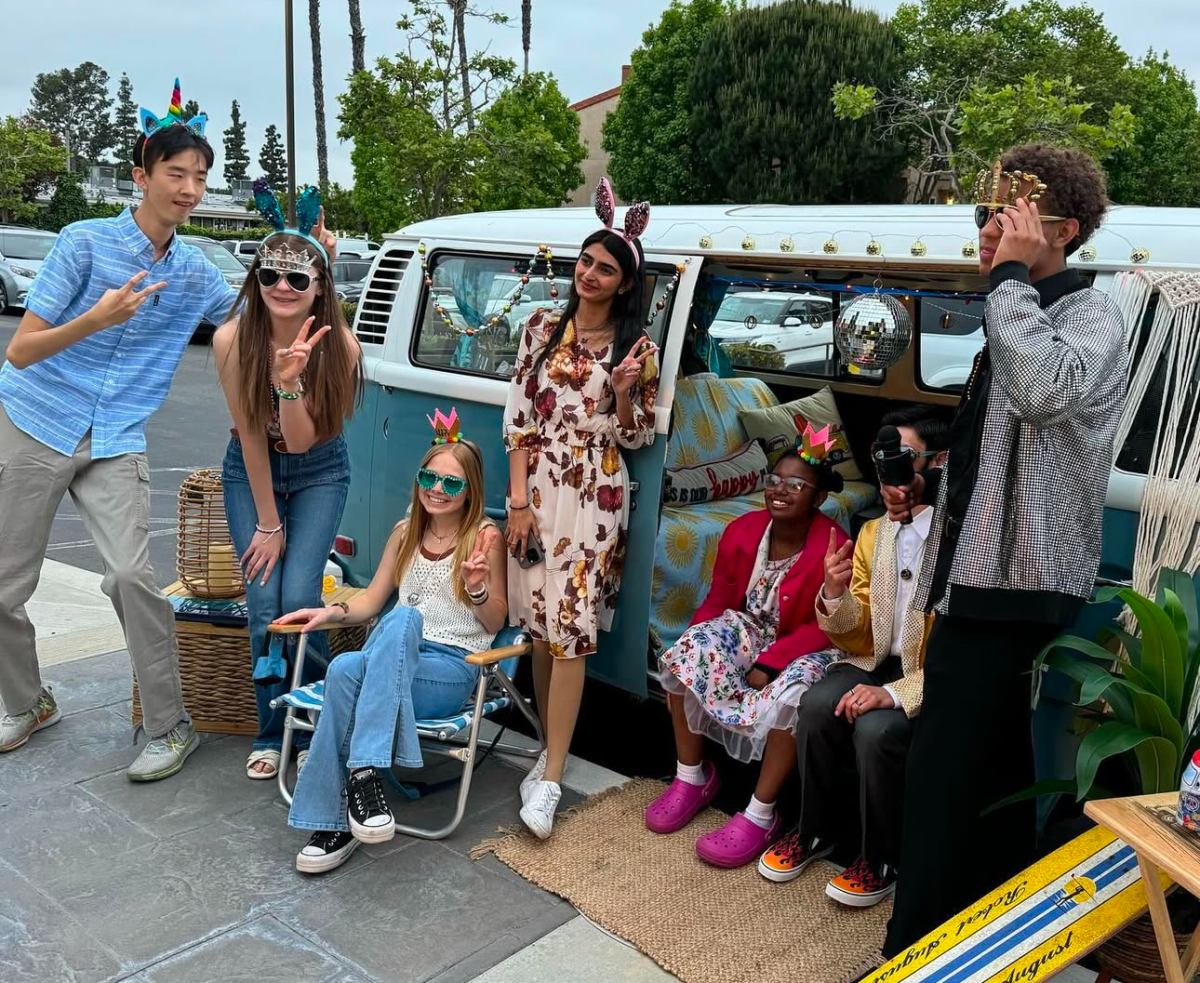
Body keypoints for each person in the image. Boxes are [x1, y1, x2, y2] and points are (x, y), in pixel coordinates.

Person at [0, 81, 332, 780]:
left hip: (117, 435)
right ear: (142, 175)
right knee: (3, 586)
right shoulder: (82, 243)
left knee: (130, 574)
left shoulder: (192, 270)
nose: (189, 188)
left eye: (200, 177)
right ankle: (28, 701)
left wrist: (311, 262)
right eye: (177, 174)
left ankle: (169, 722)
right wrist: (98, 317)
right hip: (36, 418)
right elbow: (20, 349)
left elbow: (264, 309)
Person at [878, 145, 1127, 956]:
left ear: (1064, 230)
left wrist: (1012, 281)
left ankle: (912, 950)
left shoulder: (1090, 312)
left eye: (1010, 216)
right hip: (980, 574)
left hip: (1021, 577)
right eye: (987, 215)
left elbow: (1046, 388)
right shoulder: (1015, 305)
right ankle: (983, 935)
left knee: (945, 770)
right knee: (983, 765)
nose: (991, 230)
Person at [277, 411, 507, 874]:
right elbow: (368, 600)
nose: (437, 489)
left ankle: (360, 772)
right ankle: (344, 815)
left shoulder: (484, 537)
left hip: (447, 670)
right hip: (389, 662)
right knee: (345, 665)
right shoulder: (405, 533)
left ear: (471, 491)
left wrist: (477, 586)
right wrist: (330, 612)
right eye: (429, 476)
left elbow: (496, 618)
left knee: (398, 622)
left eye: (452, 483)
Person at [503, 178, 660, 839]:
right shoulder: (540, 325)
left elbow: (637, 434)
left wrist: (623, 392)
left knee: (569, 632)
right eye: (586, 262)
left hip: (595, 494)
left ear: (626, 283)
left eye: (606, 268)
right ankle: (546, 744)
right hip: (537, 489)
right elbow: (517, 416)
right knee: (539, 626)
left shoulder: (636, 348)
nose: (590, 274)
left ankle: (552, 775)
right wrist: (516, 503)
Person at [758, 407, 949, 906]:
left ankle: (880, 858)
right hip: (873, 660)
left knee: (875, 729)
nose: (891, 475)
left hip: (927, 673)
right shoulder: (872, 533)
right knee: (818, 703)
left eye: (903, 460)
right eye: (884, 461)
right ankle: (814, 830)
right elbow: (857, 638)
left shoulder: (956, 540)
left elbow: (954, 654)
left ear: (938, 463)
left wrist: (891, 694)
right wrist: (835, 593)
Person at [214, 181, 363, 780]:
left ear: (320, 289)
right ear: (255, 279)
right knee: (261, 600)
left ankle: (315, 722)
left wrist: (290, 381)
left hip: (319, 468)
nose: (283, 285)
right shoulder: (232, 340)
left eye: (299, 278)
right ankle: (273, 730)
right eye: (270, 274)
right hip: (251, 471)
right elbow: (254, 435)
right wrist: (268, 522)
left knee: (300, 595)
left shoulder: (342, 349)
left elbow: (301, 441)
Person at [647, 431, 850, 869]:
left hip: (808, 643)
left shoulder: (832, 544)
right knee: (686, 655)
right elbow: (719, 600)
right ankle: (691, 777)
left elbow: (827, 624)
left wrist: (772, 662)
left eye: (796, 485)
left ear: (817, 499)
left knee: (795, 695)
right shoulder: (742, 530)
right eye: (776, 479)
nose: (780, 490)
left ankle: (761, 814)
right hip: (751, 629)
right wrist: (698, 645)